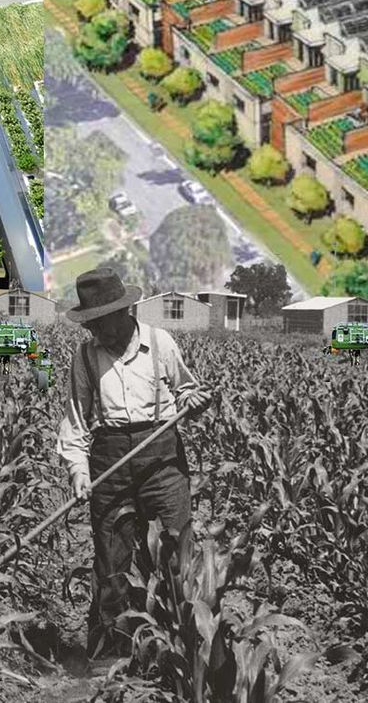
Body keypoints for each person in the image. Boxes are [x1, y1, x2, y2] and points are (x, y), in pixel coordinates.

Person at [56, 267, 213, 661]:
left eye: (102, 321)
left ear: (126, 310)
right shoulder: (85, 356)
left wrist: (194, 401)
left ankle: (184, 650)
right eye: (90, 324)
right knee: (112, 561)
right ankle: (113, 652)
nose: (96, 332)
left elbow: (188, 390)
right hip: (109, 458)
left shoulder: (161, 344)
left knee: (178, 552)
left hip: (161, 457)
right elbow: (75, 421)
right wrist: (78, 471)